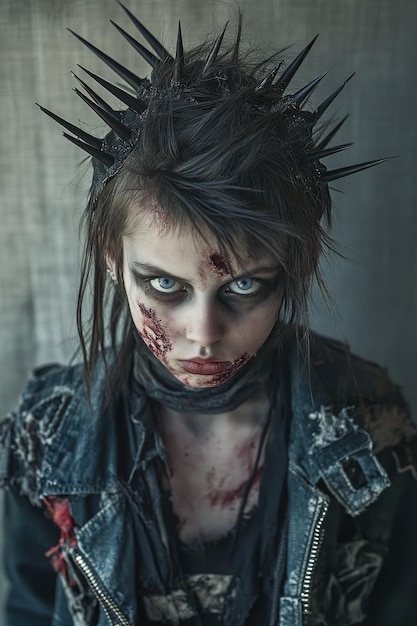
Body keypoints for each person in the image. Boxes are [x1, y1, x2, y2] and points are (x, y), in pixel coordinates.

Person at [1, 4, 416, 625]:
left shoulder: (367, 425)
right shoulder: (47, 438)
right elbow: (29, 608)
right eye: (164, 283)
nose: (202, 333)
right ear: (113, 259)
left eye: (245, 285)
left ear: (293, 268)